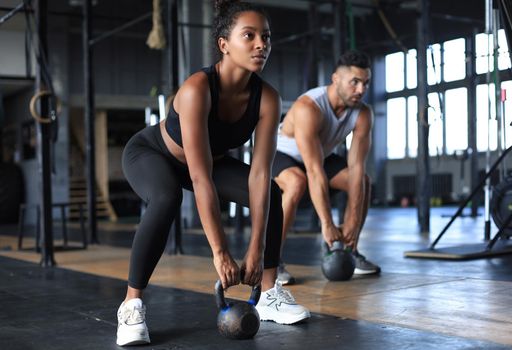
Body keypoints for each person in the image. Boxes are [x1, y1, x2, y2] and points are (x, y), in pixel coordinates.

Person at [116, 1, 310, 346]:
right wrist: (220, 252)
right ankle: (132, 304)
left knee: (275, 192)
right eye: (249, 36)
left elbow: (259, 175)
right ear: (224, 44)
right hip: (152, 153)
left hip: (211, 161)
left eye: (265, 37)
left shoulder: (267, 98)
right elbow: (200, 177)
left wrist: (256, 249)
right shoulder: (197, 90)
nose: (261, 44)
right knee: (166, 198)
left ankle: (268, 294)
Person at [273, 50, 380, 285]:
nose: (361, 90)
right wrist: (327, 223)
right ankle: (271, 261)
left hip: (320, 156)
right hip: (283, 154)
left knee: (362, 180)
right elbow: (314, 171)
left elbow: (357, 166)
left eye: (366, 83)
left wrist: (352, 220)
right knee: (296, 181)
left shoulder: (363, 113)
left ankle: (350, 250)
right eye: (355, 82)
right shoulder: (308, 107)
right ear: (336, 79)